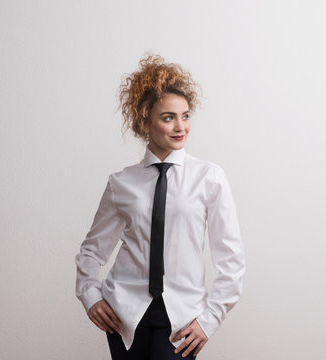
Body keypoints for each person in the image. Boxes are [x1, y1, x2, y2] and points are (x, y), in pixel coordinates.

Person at [75, 55, 245, 359]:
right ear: (144, 121)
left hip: (182, 315)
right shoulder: (121, 183)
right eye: (168, 117)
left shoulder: (209, 178)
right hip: (125, 315)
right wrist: (90, 295)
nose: (181, 126)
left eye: (186, 115)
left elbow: (231, 260)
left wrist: (210, 321)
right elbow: (91, 251)